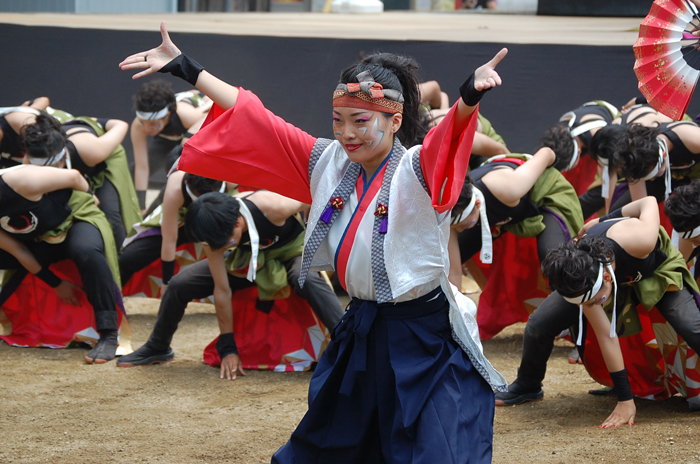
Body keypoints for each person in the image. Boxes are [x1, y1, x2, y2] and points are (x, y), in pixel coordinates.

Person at [120, 22, 506, 463]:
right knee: (330, 446)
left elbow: (447, 141)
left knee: (436, 449)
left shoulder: (419, 169)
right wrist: (187, 68)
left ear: (395, 120)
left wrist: (468, 98)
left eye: (361, 121)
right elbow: (257, 120)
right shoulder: (326, 161)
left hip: (424, 335)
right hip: (363, 327)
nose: (348, 133)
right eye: (338, 120)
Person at [495, 197, 700, 425]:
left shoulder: (640, 239)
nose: (593, 304)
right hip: (611, 280)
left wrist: (605, 218)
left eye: (593, 300)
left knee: (690, 324)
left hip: (653, 269)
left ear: (604, 278)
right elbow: (606, 335)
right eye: (587, 302)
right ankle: (528, 385)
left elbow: (649, 201)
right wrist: (625, 400)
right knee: (539, 324)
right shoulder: (581, 277)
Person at [117, 190, 345, 371]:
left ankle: (348, 343)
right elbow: (222, 289)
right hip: (245, 260)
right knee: (180, 283)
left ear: (237, 223)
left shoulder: (275, 206)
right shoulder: (213, 231)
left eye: (226, 242)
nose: (221, 246)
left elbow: (313, 197)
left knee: (307, 279)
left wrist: (318, 246)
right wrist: (227, 348)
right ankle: (158, 346)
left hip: (292, 251)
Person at [0, 163, 123, 363]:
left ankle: (108, 332)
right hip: (40, 238)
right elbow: (18, 251)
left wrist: (91, 196)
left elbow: (74, 176)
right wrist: (56, 283)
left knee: (85, 251)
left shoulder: (19, 180)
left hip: (76, 217)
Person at [450, 130, 584, 287]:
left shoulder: (510, 186)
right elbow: (453, 270)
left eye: (463, 224)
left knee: (555, 262)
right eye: (456, 226)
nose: (460, 230)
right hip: (511, 210)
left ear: (477, 204)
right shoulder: (453, 210)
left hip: (546, 196)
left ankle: (575, 302)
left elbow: (547, 152)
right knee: (448, 256)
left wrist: (521, 168)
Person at [19, 113, 141, 248]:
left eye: (53, 166)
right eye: (41, 168)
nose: (49, 172)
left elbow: (121, 124)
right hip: (76, 165)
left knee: (110, 213)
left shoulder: (93, 149)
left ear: (63, 156)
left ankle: (122, 257)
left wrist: (95, 120)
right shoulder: (28, 162)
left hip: (106, 157)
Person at [119, 168, 232, 291]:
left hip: (219, 223)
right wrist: (167, 282)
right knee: (127, 259)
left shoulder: (231, 179)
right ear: (186, 183)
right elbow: (169, 239)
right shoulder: (176, 186)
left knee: (236, 255)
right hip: (181, 221)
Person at [130, 80, 210, 212]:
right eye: (143, 122)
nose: (147, 128)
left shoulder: (188, 115)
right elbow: (142, 168)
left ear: (167, 116)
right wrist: (141, 207)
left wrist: (207, 101)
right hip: (168, 137)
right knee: (133, 173)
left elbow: (213, 110)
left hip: (190, 129)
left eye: (153, 123)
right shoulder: (139, 126)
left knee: (177, 172)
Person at [664, 179, 700, 280]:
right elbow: (678, 266)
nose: (695, 244)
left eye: (697, 240)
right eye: (691, 240)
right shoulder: (687, 225)